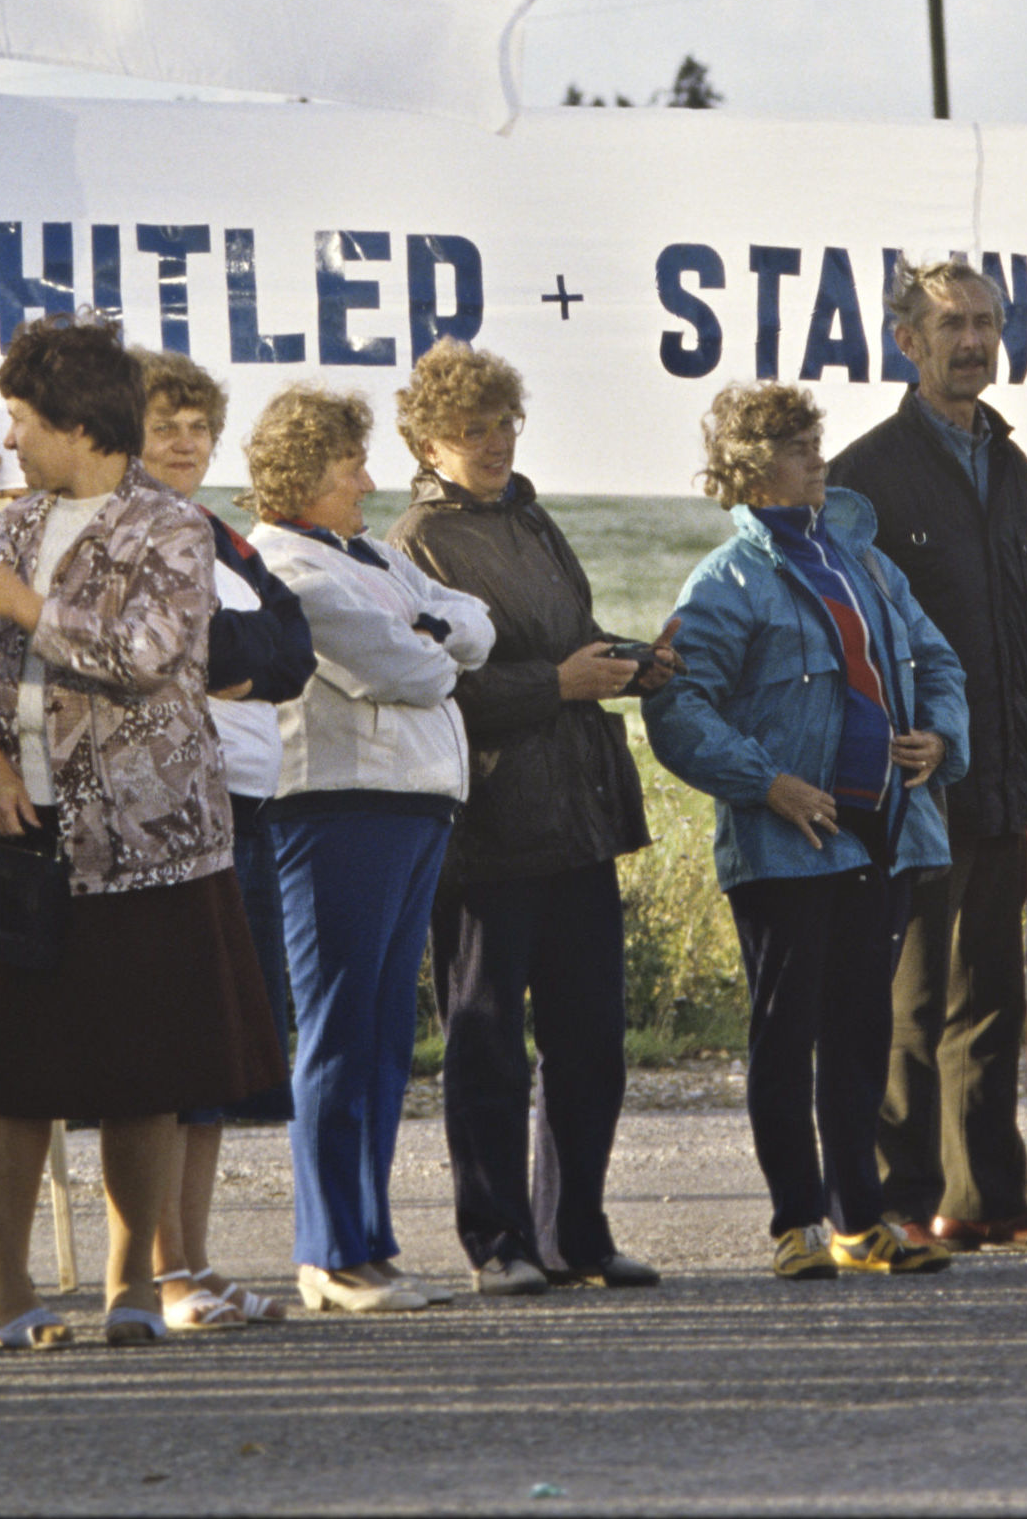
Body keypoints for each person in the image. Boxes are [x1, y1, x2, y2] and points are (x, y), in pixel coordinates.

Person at [0, 316, 286, 1349]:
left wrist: (32, 608)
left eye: (26, 420)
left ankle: (132, 1282)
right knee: (13, 1070)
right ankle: (7, 1281)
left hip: (149, 842)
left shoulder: (173, 528)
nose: (14, 439)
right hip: (19, 841)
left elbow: (153, 652)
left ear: (82, 424)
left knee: (148, 1068)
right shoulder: (6, 525)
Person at [646, 381, 968, 1280]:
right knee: (788, 1035)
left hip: (883, 831)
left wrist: (942, 738)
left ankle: (858, 1221)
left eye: (813, 440)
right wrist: (769, 785)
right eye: (796, 446)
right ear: (750, 469)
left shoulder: (863, 560)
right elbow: (676, 705)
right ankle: (795, 1222)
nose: (818, 458)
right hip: (789, 843)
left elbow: (937, 657)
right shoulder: (724, 581)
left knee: (864, 1031)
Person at [386, 339, 666, 1297]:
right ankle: (497, 1240)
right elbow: (434, 688)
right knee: (488, 1041)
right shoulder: (417, 541)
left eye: (505, 421)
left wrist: (632, 659)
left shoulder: (531, 516)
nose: (495, 441)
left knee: (591, 1040)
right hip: (493, 826)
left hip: (580, 813)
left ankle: (576, 1233)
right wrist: (558, 683)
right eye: (473, 428)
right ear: (427, 438)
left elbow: (566, 644)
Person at [825, 258, 1027, 1253]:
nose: (973, 340)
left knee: (992, 991)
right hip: (914, 778)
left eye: (987, 321)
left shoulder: (1010, 464)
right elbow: (849, 630)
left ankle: (985, 1197)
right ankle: (898, 1196)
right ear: (907, 342)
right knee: (911, 999)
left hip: (1007, 766)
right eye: (952, 325)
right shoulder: (867, 472)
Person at [245, 384, 494, 1314]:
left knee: (387, 1038)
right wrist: (435, 644)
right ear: (305, 473)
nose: (369, 480)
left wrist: (433, 637)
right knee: (339, 1030)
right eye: (352, 466)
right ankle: (328, 1248)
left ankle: (369, 1239)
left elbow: (474, 620)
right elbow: (408, 663)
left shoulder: (375, 556)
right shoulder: (287, 568)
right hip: (337, 810)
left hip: (414, 806)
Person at [132, 350, 315, 1333]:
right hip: (171, 808)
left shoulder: (222, 535)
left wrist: (238, 659)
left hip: (247, 807)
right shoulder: (130, 528)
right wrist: (235, 658)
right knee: (170, 1049)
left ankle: (197, 1264)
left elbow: (293, 647)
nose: (186, 441)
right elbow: (183, 644)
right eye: (167, 422)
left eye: (200, 425)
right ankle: (165, 1270)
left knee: (217, 1054)